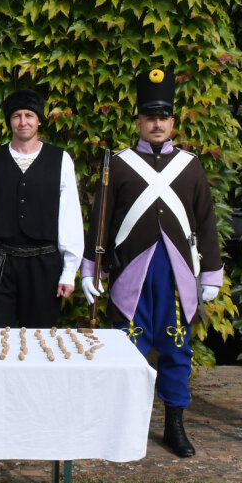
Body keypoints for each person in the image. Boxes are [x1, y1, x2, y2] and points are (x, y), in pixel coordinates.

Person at [81, 69, 222, 457]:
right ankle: (125, 427)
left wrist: (210, 272)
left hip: (176, 275)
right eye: (149, 117)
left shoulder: (190, 166)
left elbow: (205, 220)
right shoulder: (120, 164)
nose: (157, 123)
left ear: (172, 121)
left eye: (163, 117)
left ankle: (174, 425)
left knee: (177, 351)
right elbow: (101, 222)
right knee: (128, 353)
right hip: (131, 273)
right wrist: (92, 270)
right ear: (139, 122)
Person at [0, 89, 83, 328]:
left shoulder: (61, 160)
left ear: (39, 120)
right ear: (9, 121)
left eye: (29, 115)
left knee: (40, 339)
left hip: (44, 265)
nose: (23, 121)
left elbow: (70, 218)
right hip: (0, 266)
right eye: (17, 115)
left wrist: (69, 271)